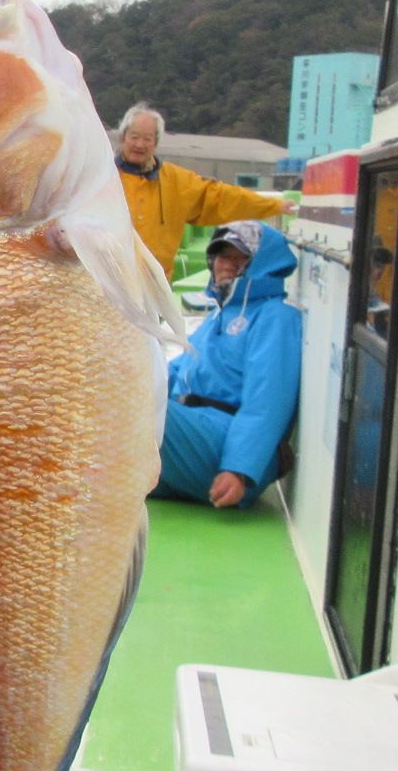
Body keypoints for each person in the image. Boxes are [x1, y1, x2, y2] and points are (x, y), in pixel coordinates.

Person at [154, 220, 302, 508]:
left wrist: (239, 468)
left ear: (262, 264)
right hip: (196, 431)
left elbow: (267, 401)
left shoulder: (276, 318)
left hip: (226, 446)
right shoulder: (219, 314)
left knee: (135, 407)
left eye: (239, 257)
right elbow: (178, 370)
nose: (227, 264)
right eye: (222, 255)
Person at [115, 103, 287, 275]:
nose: (140, 144)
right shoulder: (105, 177)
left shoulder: (176, 181)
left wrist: (274, 205)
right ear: (123, 138)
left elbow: (221, 198)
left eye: (147, 139)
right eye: (134, 137)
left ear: (156, 143)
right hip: (111, 280)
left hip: (155, 282)